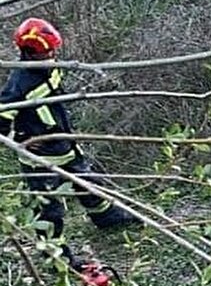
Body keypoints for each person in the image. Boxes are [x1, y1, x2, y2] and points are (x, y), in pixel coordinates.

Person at [0, 18, 135, 243]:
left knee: (89, 185)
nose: (52, 55)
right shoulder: (19, 84)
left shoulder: (50, 68)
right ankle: (57, 256)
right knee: (48, 209)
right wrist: (19, 140)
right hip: (39, 158)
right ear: (31, 53)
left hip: (65, 145)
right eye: (48, 52)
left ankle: (109, 219)